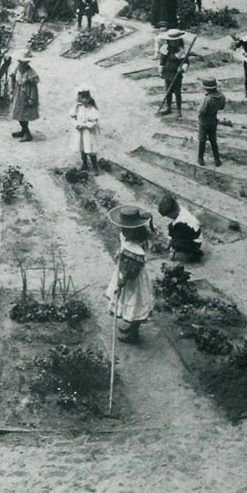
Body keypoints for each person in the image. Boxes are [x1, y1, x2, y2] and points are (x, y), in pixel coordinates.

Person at [105, 205, 155, 344]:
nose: (123, 231)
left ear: (135, 231)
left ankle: (134, 335)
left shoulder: (136, 249)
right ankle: (131, 329)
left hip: (133, 280)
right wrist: (120, 255)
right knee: (127, 302)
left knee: (135, 305)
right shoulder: (125, 236)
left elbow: (133, 271)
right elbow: (122, 247)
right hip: (123, 271)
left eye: (127, 229)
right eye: (123, 227)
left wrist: (123, 281)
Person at [157, 193, 203, 262]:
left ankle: (194, 255)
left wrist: (170, 246)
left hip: (194, 241)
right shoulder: (180, 210)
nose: (168, 217)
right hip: (189, 233)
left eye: (168, 215)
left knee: (177, 244)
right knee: (171, 228)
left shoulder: (182, 223)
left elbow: (177, 237)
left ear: (172, 212)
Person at [8, 52, 39, 142]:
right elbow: (12, 79)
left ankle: (27, 133)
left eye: (25, 63)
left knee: (24, 115)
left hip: (26, 95)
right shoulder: (16, 69)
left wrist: (31, 98)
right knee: (18, 113)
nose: (23, 65)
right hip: (18, 93)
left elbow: (33, 88)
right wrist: (11, 90)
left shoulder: (31, 73)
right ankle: (23, 130)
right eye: (21, 62)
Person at [157, 29, 189, 116]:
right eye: (172, 41)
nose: (174, 43)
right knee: (168, 91)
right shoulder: (165, 49)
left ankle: (179, 109)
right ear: (168, 41)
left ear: (179, 41)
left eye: (176, 41)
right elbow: (162, 62)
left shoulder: (181, 51)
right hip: (167, 73)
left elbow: (186, 62)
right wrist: (161, 71)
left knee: (177, 92)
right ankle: (168, 107)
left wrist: (182, 69)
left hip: (176, 74)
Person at [197, 77, 226, 167]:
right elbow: (222, 107)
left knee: (202, 139)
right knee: (213, 139)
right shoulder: (222, 96)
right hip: (213, 119)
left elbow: (202, 110)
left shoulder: (208, 98)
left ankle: (200, 158)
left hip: (204, 121)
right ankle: (217, 159)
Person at [71, 85, 101, 173]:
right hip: (80, 132)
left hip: (88, 133)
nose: (84, 100)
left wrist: (85, 125)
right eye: (82, 97)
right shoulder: (77, 107)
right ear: (79, 98)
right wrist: (76, 124)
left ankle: (95, 167)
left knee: (90, 149)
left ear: (90, 98)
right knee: (82, 148)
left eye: (86, 97)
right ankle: (85, 164)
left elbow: (94, 122)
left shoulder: (92, 109)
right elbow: (72, 117)